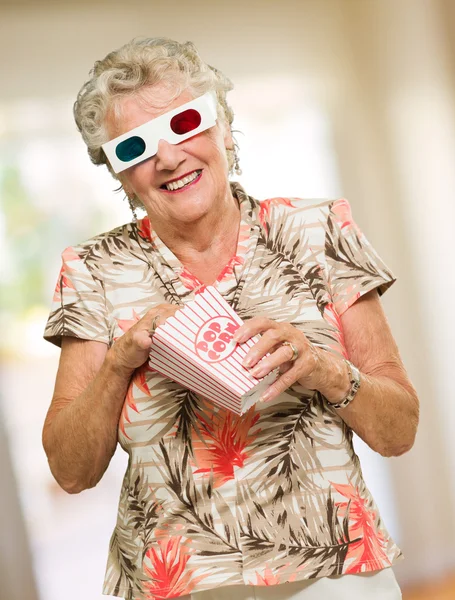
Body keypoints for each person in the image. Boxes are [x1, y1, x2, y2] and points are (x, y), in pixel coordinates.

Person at [42, 37, 418, 600]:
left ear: (224, 127)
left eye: (185, 122)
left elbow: (400, 430)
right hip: (176, 583)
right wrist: (120, 361)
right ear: (117, 173)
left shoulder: (319, 231)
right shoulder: (93, 270)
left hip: (336, 574)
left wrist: (323, 369)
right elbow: (71, 472)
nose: (167, 157)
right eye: (135, 147)